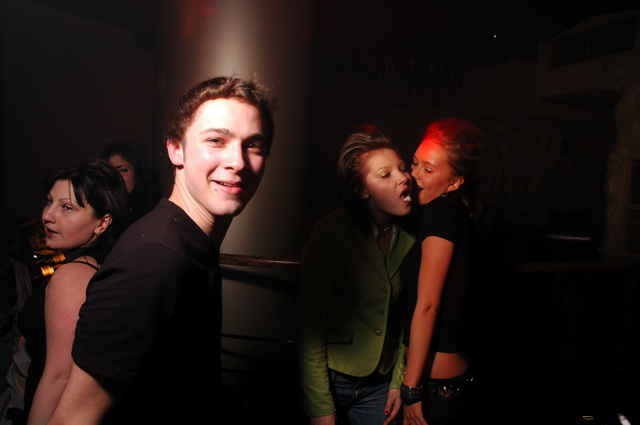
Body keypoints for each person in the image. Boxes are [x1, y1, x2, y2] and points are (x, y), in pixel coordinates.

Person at [48, 75, 278, 425]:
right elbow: (72, 419)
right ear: (176, 150)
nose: (238, 161)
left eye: (254, 145)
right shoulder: (155, 257)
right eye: (216, 140)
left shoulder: (188, 243)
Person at [296, 129, 415, 425]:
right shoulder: (331, 232)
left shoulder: (411, 238)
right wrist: (320, 407)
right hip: (332, 379)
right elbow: (309, 325)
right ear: (362, 190)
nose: (403, 178)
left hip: (381, 384)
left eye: (402, 169)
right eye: (385, 174)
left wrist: (398, 381)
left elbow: (406, 319)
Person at [17, 159, 130, 425]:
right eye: (49, 201)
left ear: (102, 223)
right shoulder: (97, 265)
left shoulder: (73, 275)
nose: (47, 215)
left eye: (67, 207)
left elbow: (60, 376)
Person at [400, 117, 483, 425]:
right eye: (414, 163)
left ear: (455, 182)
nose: (414, 175)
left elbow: (428, 305)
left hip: (432, 390)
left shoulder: (440, 214)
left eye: (429, 169)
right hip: (443, 384)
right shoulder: (452, 212)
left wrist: (411, 389)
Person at [99, 142, 162, 222]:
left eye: (123, 170)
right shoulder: (98, 210)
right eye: (109, 170)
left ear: (138, 173)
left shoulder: (152, 215)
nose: (115, 175)